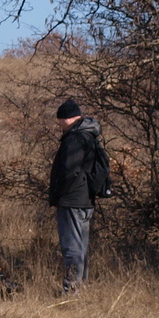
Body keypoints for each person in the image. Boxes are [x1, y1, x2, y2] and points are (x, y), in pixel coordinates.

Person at [49, 98, 108, 292]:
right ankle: (81, 287)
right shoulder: (89, 135)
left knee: (72, 248)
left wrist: (59, 194)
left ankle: (72, 289)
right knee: (81, 247)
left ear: (69, 118)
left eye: (60, 120)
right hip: (85, 200)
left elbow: (69, 171)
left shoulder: (74, 138)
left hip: (72, 201)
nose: (59, 124)